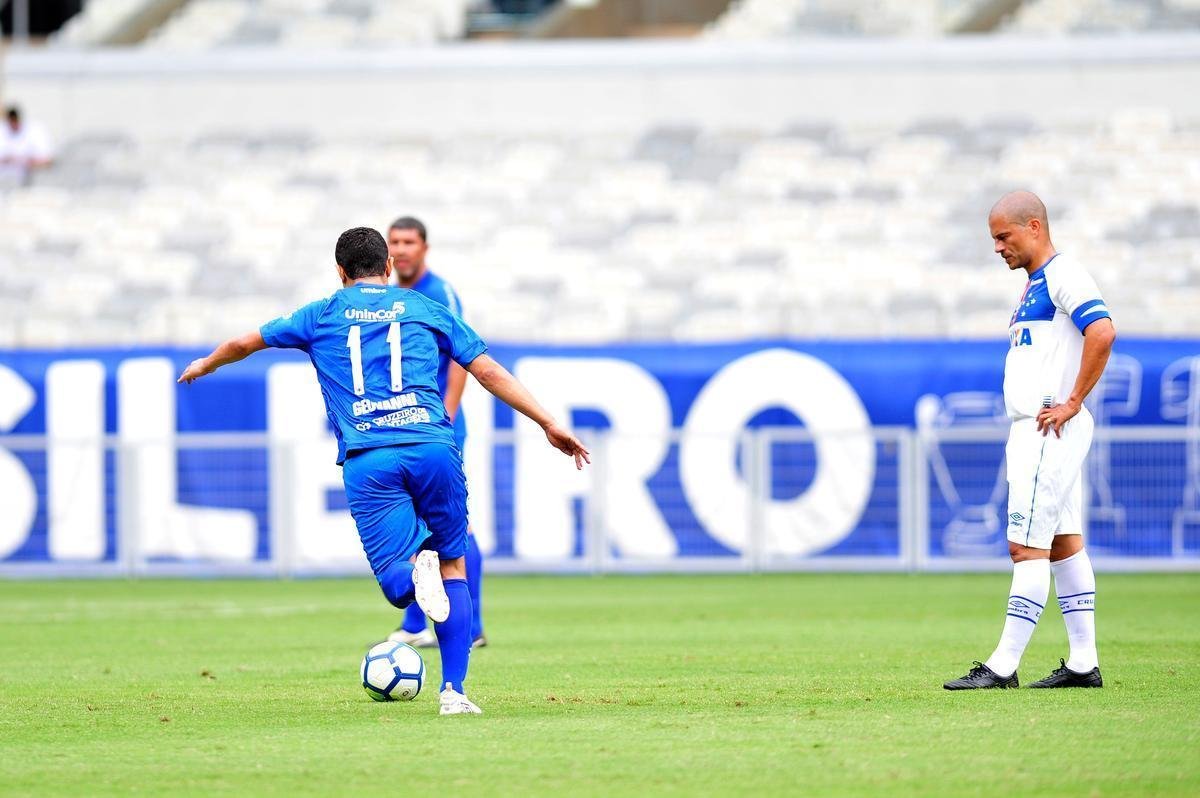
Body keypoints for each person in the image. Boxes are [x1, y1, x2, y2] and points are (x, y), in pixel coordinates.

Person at [179, 227, 590, 714]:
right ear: (388, 266)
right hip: (432, 447)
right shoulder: (424, 307)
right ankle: (453, 693)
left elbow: (245, 342)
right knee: (454, 565)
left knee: (400, 586)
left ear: (340, 271)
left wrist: (207, 363)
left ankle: (417, 574)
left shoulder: (320, 314)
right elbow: (486, 370)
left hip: (370, 458)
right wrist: (548, 422)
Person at [944, 191, 1116, 690]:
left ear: (1034, 227)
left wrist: (1072, 401)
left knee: (1025, 548)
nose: (998, 247)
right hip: (1043, 427)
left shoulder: (1064, 274)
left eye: (1004, 236)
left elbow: (1102, 332)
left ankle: (1002, 666)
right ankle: (1083, 663)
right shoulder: (1035, 284)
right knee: (1063, 544)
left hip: (1046, 427)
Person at [384, 216, 486, 650]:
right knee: (419, 525)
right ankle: (421, 624)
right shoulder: (390, 298)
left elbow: (462, 355)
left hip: (437, 428)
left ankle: (467, 626)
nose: (401, 249)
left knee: (450, 525)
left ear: (424, 248)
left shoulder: (440, 293)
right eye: (394, 242)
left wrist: (446, 413)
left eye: (409, 242)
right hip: (407, 427)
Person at [0, 106, 54, 188]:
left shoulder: (35, 130)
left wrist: (25, 161)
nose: (13, 125)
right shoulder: (2, 131)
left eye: (15, 122)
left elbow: (48, 161)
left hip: (31, 180)